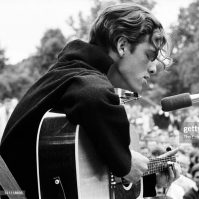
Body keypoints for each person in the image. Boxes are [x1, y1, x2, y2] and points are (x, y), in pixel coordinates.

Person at [0, 3, 180, 198]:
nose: (153, 69)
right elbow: (91, 95)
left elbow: (80, 174)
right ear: (122, 46)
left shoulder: (70, 76)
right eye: (149, 55)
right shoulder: (82, 80)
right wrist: (124, 161)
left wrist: (149, 177)